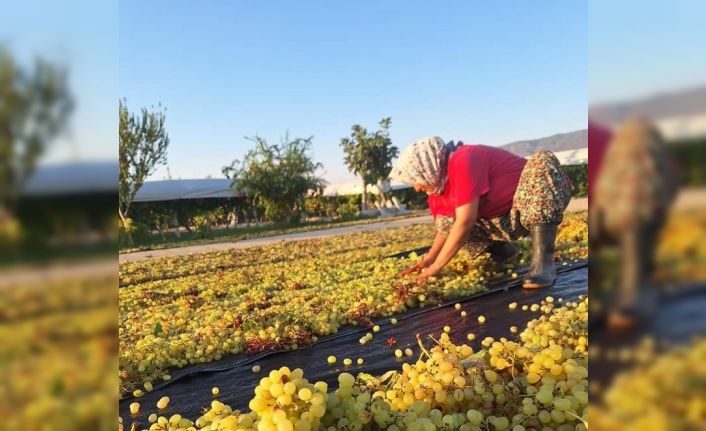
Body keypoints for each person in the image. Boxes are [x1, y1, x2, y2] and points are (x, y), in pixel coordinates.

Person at [392, 137, 572, 289]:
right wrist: (429, 259)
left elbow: (465, 221)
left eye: (415, 180)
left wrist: (437, 267)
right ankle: (505, 253)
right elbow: (444, 229)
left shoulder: (464, 159)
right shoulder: (437, 189)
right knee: (449, 222)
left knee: (541, 161)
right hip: (510, 218)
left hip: (546, 197)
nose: (415, 188)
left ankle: (543, 264)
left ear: (427, 167)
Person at [590, 117, 678, 329]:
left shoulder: (632, 145)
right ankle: (604, 283)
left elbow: (665, 179)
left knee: (631, 218)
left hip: (637, 215)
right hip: (604, 216)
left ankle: (638, 287)